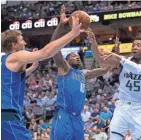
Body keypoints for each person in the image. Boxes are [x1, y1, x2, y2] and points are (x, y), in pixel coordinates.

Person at [1, 9, 83, 140]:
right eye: (22, 40)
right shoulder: (14, 56)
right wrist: (72, 34)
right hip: (7, 118)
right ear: (14, 44)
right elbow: (46, 52)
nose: (25, 43)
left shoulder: (4, 63)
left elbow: (11, 81)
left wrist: (32, 68)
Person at [49, 6, 112, 140]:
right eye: (73, 56)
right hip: (64, 115)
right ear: (67, 60)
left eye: (77, 56)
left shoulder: (84, 73)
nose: (77, 57)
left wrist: (94, 43)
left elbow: (105, 68)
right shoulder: (64, 68)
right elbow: (53, 46)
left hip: (77, 118)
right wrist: (61, 26)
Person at [85, 28, 141, 139]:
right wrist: (94, 42)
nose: (135, 47)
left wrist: (119, 57)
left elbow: (138, 69)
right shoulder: (123, 62)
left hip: (139, 109)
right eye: (133, 45)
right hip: (122, 106)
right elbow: (100, 58)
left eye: (139, 45)